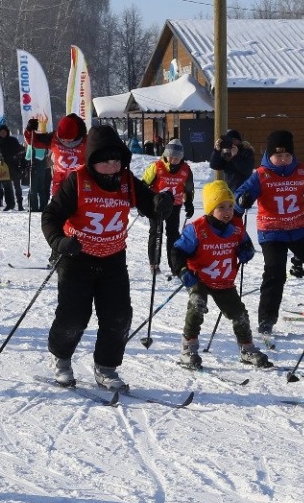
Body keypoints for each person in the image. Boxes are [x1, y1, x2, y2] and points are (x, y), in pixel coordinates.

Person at [42, 125, 172, 390]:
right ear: (92, 162)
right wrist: (59, 242)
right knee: (73, 317)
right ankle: (62, 359)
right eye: (106, 161)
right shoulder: (76, 181)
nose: (113, 166)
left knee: (118, 316)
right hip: (76, 258)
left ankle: (106, 367)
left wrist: (160, 203)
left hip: (112, 259)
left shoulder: (126, 180)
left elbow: (150, 204)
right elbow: (51, 217)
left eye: (117, 160)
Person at [232, 129, 304, 344]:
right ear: (269, 155)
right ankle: (267, 319)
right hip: (272, 232)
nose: (284, 159)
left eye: (287, 155)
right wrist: (243, 200)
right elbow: (241, 194)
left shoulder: (302, 172)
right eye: (279, 155)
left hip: (300, 229)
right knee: (275, 273)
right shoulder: (261, 174)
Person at [174, 180, 271, 370]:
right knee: (197, 305)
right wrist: (182, 270)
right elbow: (178, 251)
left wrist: (246, 251)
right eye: (221, 207)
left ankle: (247, 349)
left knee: (239, 314)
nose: (228, 211)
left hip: (224, 281)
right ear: (210, 209)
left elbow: (246, 244)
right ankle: (188, 348)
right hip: (199, 278)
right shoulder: (196, 229)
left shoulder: (236, 226)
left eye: (230, 206)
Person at [142, 140, 195, 278]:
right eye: (171, 156)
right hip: (157, 205)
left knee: (173, 234)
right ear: (166, 155)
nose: (173, 160)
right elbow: (143, 185)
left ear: (181, 157)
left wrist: (189, 203)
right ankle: (154, 263)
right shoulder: (157, 166)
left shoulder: (185, 169)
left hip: (174, 205)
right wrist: (142, 204)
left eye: (177, 158)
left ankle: (174, 265)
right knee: (156, 232)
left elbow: (188, 189)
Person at [24, 121, 53, 211]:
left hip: (34, 165)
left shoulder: (33, 141)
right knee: (42, 188)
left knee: (33, 189)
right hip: (42, 166)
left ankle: (34, 207)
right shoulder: (45, 141)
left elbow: (28, 155)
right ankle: (43, 207)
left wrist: (28, 129)